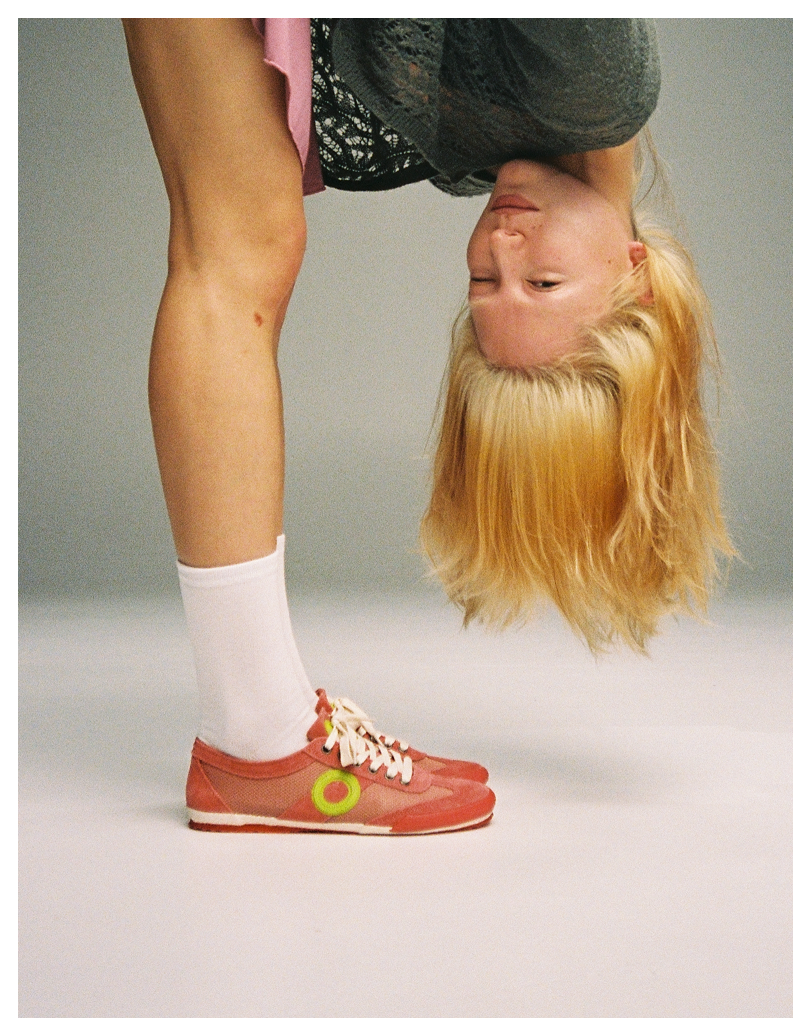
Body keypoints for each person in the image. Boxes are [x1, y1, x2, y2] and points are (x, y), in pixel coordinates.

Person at [121, 18, 732, 834]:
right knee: (240, 243)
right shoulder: (594, 79)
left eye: (483, 280)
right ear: (635, 277)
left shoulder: (507, 138)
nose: (504, 244)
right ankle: (256, 738)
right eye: (542, 282)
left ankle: (259, 729)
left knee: (240, 238)